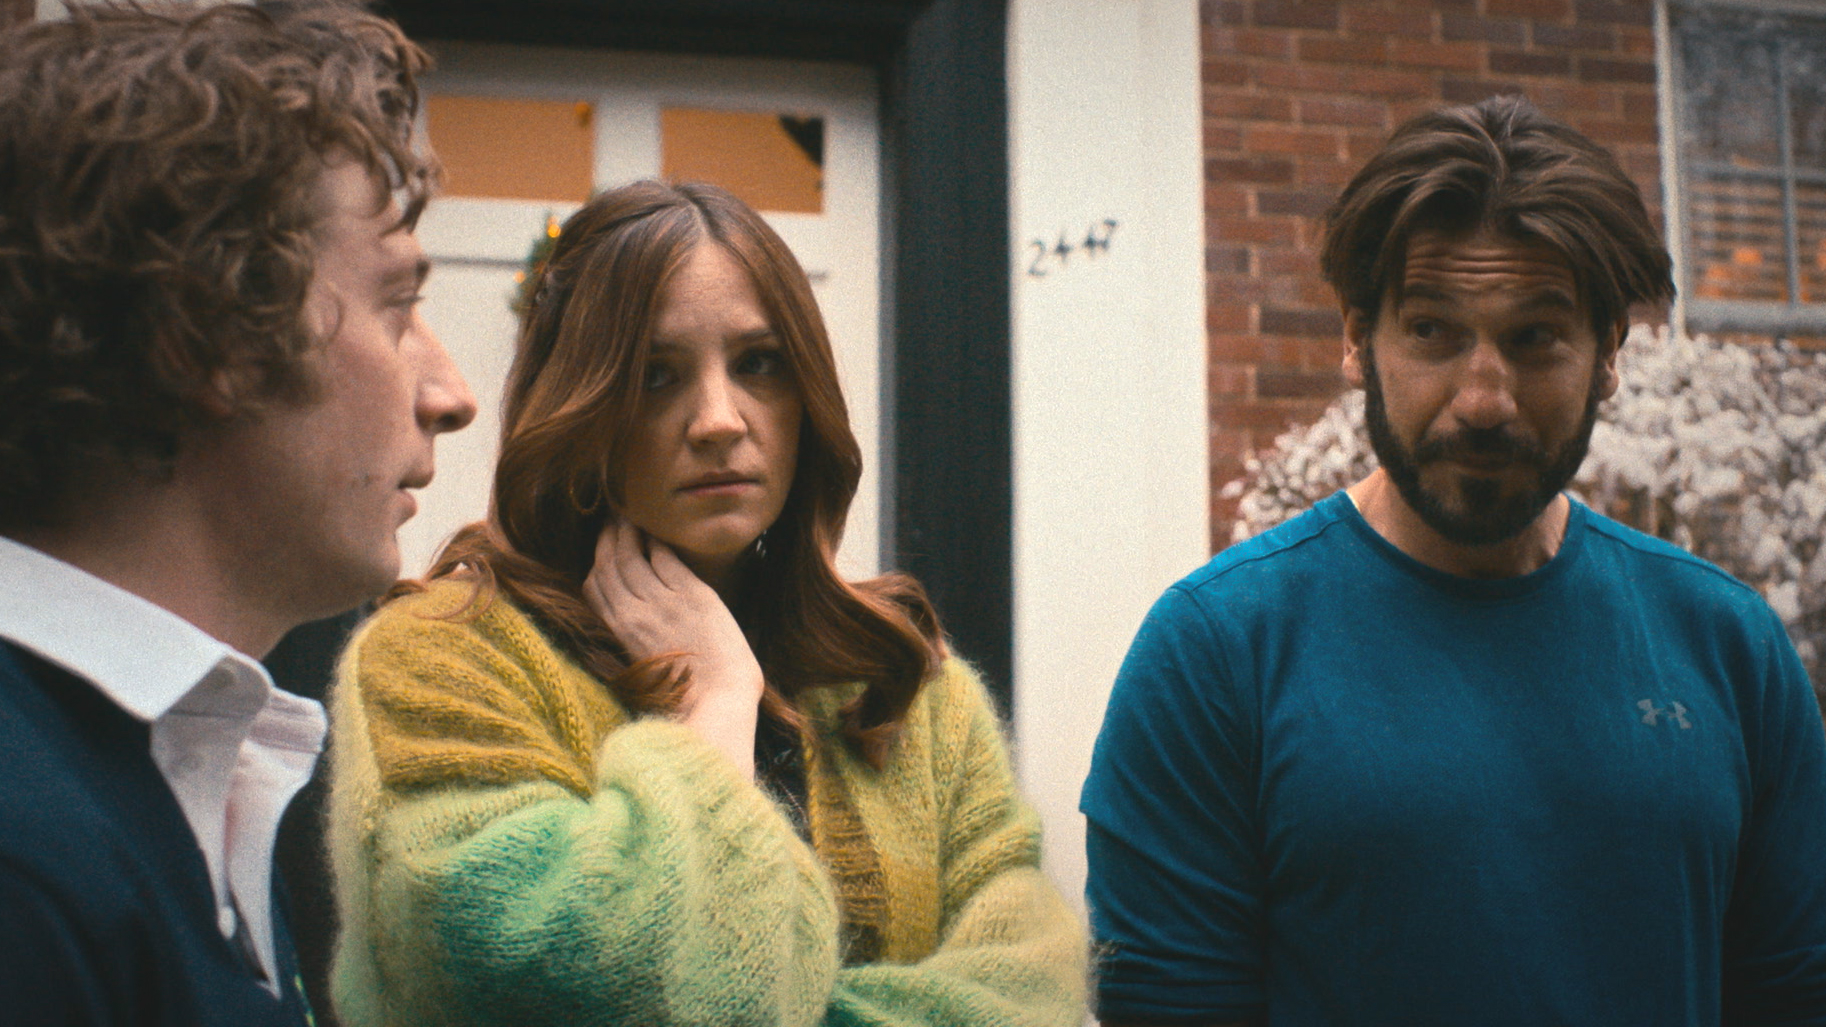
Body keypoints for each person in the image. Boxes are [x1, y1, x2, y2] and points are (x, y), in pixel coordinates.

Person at [1081, 95, 1826, 1026]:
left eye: (1535, 338)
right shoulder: (1215, 654)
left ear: (1607, 355)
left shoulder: (1729, 646)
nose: (1483, 397)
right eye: (1432, 330)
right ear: (1358, 338)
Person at [323, 179, 1085, 1027]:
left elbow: (1038, 988)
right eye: (656, 375)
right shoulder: (442, 660)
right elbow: (547, 985)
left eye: (759, 364)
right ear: (582, 403)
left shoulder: (906, 685)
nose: (720, 419)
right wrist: (716, 705)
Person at [0, 3, 476, 1024]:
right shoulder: (25, 864)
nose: (451, 392)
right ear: (209, 335)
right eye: (397, 305)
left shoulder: (188, 761)